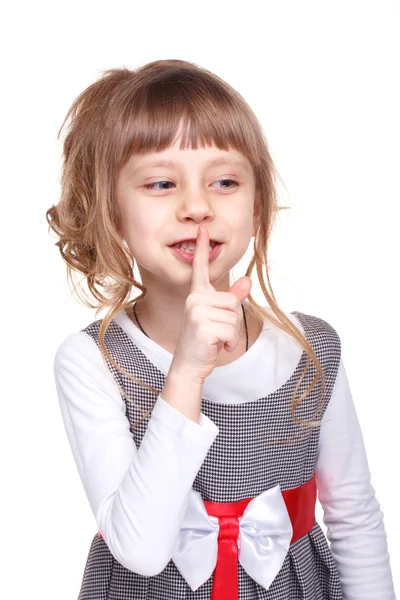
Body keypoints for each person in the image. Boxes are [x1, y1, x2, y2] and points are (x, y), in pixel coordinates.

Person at [46, 59, 396, 600]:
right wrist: (187, 371)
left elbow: (354, 513)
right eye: (162, 183)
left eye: (225, 181)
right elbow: (140, 549)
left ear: (256, 206)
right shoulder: (92, 360)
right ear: (111, 212)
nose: (197, 207)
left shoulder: (312, 349)